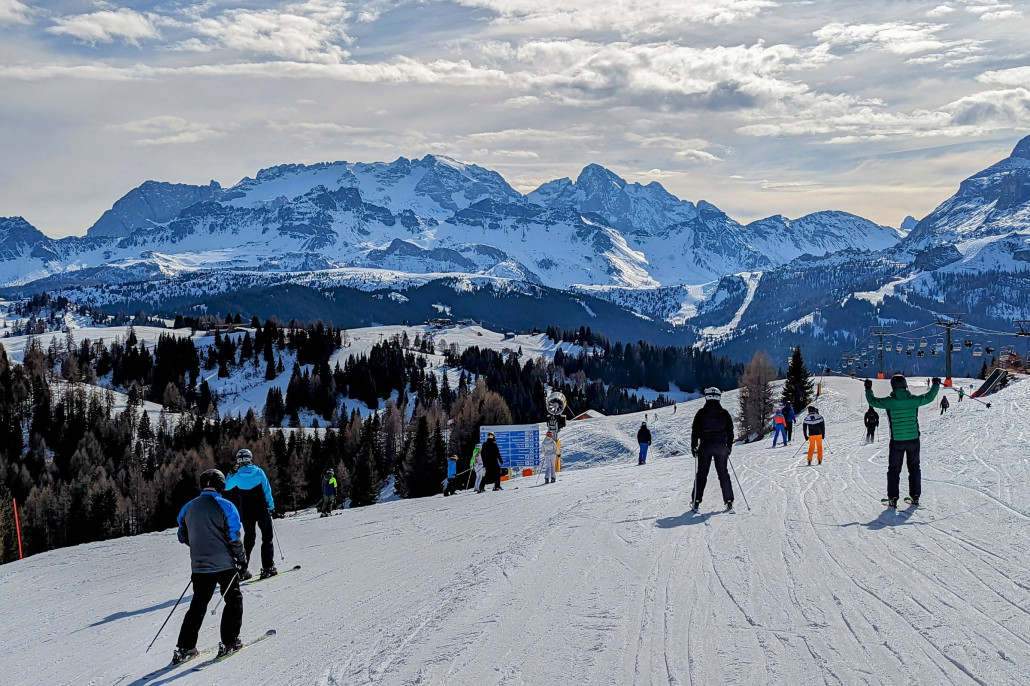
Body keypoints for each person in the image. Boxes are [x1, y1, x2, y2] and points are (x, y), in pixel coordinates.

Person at [172, 469, 249, 665]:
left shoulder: (188, 507)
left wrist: (200, 546)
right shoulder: (226, 506)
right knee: (233, 600)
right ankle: (230, 641)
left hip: (199, 566)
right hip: (225, 565)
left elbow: (182, 535)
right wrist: (241, 560)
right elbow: (234, 537)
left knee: (198, 604)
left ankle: (185, 648)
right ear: (221, 485)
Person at [865, 375, 940, 508]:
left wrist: (868, 388)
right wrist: (935, 384)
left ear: (893, 387)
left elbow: (873, 401)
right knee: (914, 468)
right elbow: (929, 397)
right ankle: (915, 497)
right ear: (905, 385)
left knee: (894, 470)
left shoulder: (889, 402)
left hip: (897, 441)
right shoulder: (913, 400)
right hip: (913, 440)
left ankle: (892, 499)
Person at [224, 449, 278, 579]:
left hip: (247, 510)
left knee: (249, 538)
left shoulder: (237, 475)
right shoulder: (258, 472)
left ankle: (242, 569)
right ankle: (268, 567)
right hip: (262, 509)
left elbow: (226, 486)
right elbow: (267, 490)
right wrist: (271, 506)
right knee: (267, 537)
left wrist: (231, 473)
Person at [690, 387, 735, 511]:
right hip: (721, 447)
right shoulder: (724, 413)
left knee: (702, 474)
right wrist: (729, 447)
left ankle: (696, 501)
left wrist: (694, 446)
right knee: (723, 473)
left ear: (706, 397)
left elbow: (695, 431)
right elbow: (730, 432)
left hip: (705, 446)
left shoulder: (701, 413)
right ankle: (729, 501)